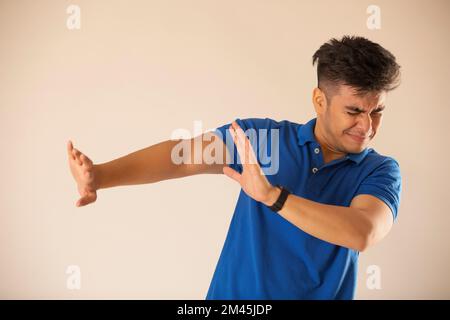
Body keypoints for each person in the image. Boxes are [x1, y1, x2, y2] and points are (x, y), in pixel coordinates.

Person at [67, 35, 402, 299]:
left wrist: (273, 196)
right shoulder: (263, 140)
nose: (367, 126)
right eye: (355, 111)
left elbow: (363, 232)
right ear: (319, 101)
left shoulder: (379, 171)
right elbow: (181, 157)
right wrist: (100, 176)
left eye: (378, 112)